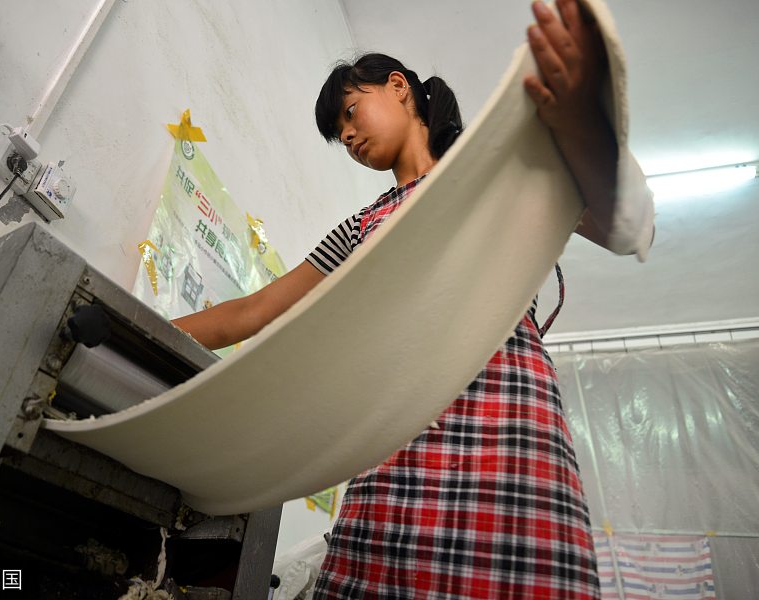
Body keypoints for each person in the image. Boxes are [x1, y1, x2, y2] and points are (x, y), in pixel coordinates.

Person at [174, 1, 648, 597]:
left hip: (504, 421)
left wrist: (580, 129)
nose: (347, 136)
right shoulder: (359, 228)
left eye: (349, 112)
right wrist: (140, 324)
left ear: (399, 87)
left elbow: (622, 224)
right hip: (394, 434)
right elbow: (251, 313)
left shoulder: (498, 171)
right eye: (339, 136)